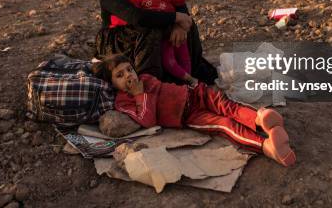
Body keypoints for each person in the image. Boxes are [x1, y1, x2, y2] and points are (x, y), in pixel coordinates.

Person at [94, 54, 297, 167]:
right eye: (120, 75)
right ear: (112, 84)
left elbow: (160, 88)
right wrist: (140, 94)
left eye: (129, 69)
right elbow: (147, 120)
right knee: (224, 124)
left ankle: (261, 120)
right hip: (188, 115)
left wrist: (144, 87)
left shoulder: (146, 78)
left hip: (194, 94)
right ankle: (266, 146)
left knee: (227, 105)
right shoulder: (123, 101)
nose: (129, 75)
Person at [128, 0, 196, 86]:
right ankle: (188, 79)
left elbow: (178, 1)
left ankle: (187, 84)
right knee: (168, 60)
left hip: (175, 28)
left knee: (184, 57)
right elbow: (136, 16)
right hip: (162, 33)